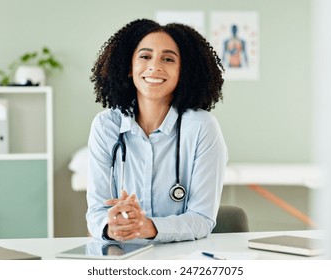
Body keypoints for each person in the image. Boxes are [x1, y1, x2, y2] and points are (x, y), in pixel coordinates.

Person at [86, 18, 228, 243]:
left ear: (183, 71)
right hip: (122, 256)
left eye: (168, 59)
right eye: (144, 56)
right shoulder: (105, 126)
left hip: (182, 258)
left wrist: (149, 227)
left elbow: (202, 218)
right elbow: (95, 213)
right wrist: (110, 226)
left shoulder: (201, 128)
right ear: (129, 68)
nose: (154, 66)